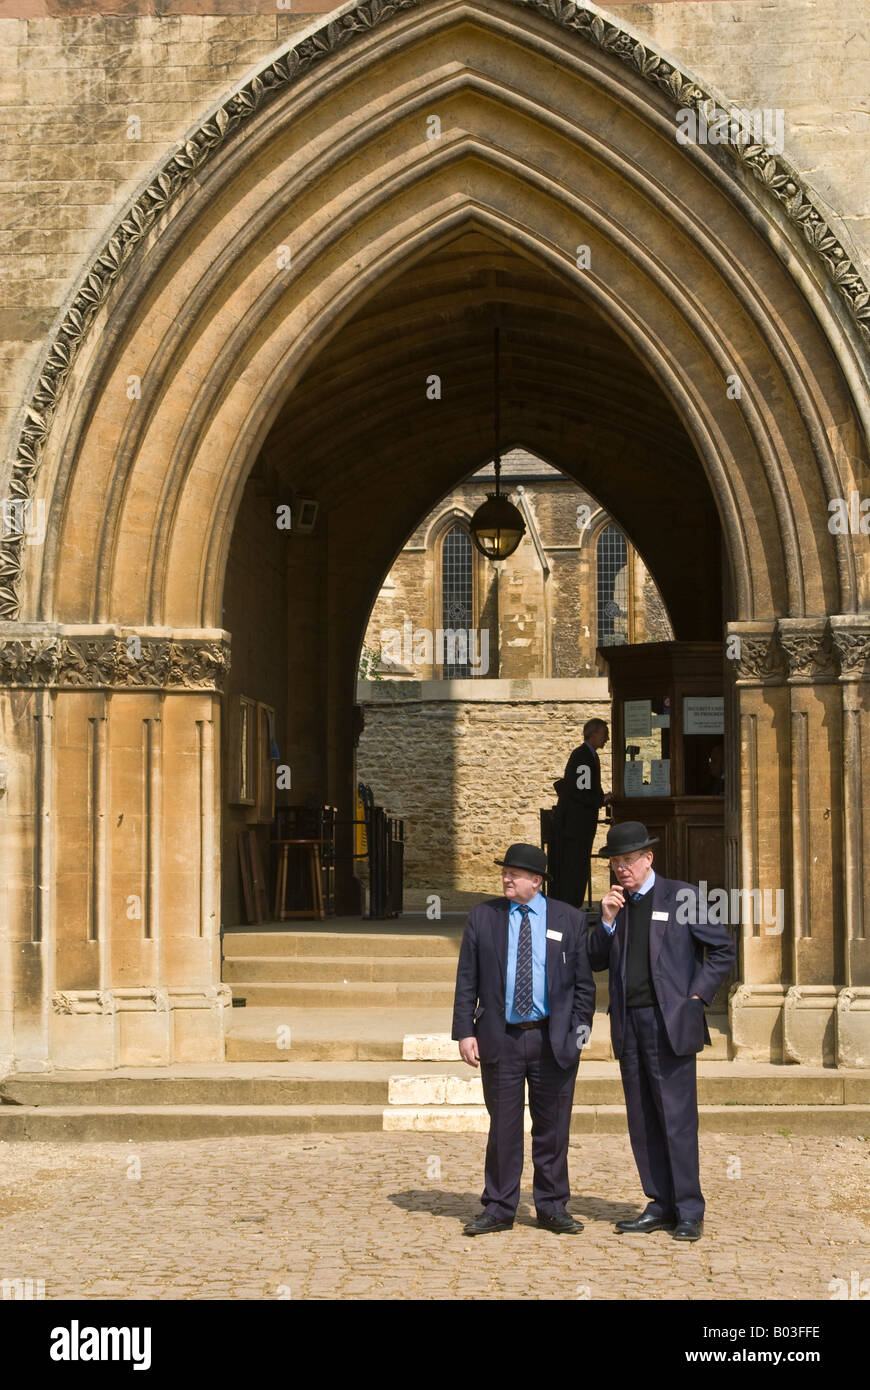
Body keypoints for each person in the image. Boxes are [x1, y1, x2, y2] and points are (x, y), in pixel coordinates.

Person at [586, 821, 735, 1242]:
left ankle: (689, 1209)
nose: (621, 869)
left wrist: (697, 997)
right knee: (643, 1119)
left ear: (648, 858)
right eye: (615, 862)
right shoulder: (615, 905)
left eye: (628, 860)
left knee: (677, 1120)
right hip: (628, 1023)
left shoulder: (681, 895)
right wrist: (607, 921)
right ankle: (659, 1203)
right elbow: (594, 960)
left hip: (669, 1022)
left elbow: (722, 949)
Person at [452, 843, 596, 1236]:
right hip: (502, 1038)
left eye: (514, 874)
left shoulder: (568, 918)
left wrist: (580, 1032)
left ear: (537, 881)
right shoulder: (484, 917)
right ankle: (498, 1208)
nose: (506, 879)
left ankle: (551, 1206)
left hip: (554, 1038)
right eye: (504, 872)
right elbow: (467, 979)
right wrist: (465, 1031)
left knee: (553, 1127)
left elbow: (584, 985)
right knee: (504, 1128)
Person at [552, 718, 612, 908]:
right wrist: (600, 800)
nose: (607, 738)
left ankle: (571, 903)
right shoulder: (584, 756)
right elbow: (580, 791)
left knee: (577, 865)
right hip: (577, 825)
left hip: (578, 824)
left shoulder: (588, 755)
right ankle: (570, 904)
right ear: (593, 733)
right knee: (574, 866)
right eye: (604, 733)